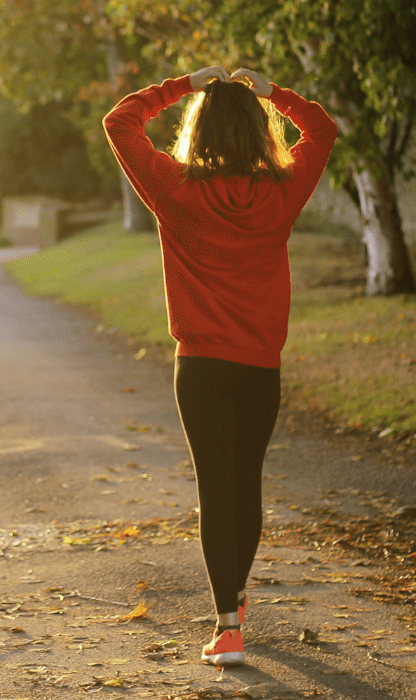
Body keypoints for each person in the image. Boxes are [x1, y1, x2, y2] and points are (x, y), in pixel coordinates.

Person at [103, 66, 337, 666]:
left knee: (216, 489)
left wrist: (183, 84)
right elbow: (323, 128)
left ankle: (227, 624)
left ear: (198, 130)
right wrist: (272, 92)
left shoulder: (174, 188)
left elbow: (119, 122)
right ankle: (232, 597)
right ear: (260, 132)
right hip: (260, 366)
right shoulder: (282, 190)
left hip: (201, 366)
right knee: (246, 484)